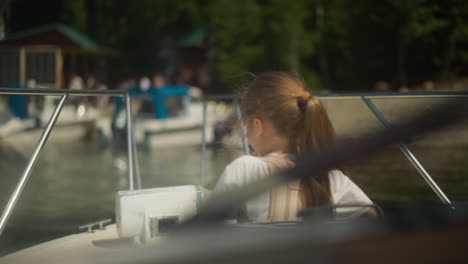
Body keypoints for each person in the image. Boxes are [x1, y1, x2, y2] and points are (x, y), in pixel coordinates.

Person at [214, 71, 374, 223]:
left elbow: (206, 228)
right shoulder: (329, 175)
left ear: (258, 126)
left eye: (245, 125)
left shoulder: (244, 169)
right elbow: (371, 217)